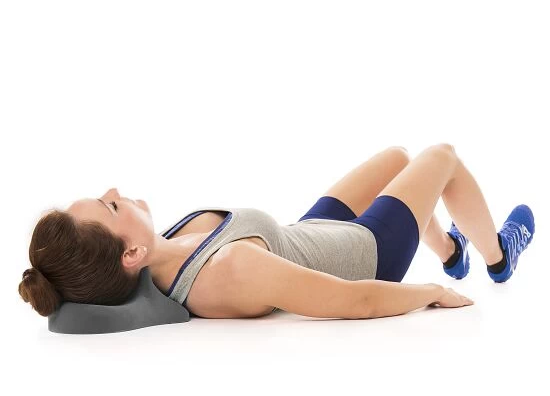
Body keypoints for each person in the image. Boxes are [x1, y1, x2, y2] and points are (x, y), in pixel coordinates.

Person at [19, 143, 535, 320]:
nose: (115, 190)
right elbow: (353, 301)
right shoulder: (228, 271)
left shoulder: (162, 252)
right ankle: (498, 256)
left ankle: (450, 249)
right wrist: (429, 293)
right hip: (369, 254)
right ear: (130, 252)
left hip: (316, 231)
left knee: (398, 158)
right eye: (110, 206)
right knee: (441, 157)